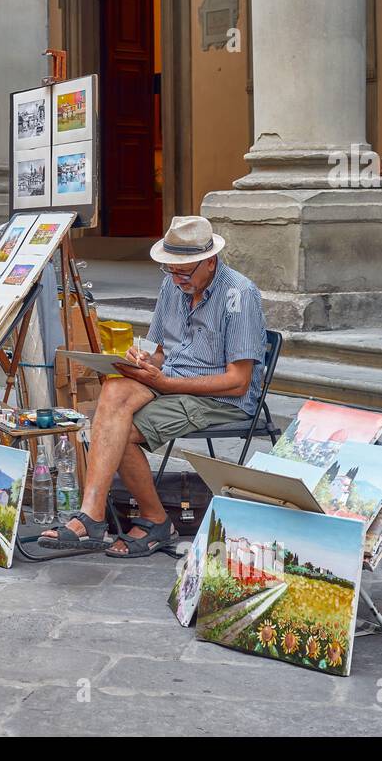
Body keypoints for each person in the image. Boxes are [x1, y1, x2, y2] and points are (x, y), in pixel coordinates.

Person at [39, 215, 268, 558]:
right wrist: (144, 361)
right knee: (114, 389)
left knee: (120, 430)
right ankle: (92, 513)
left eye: (184, 272)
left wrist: (166, 381)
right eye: (170, 270)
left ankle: (154, 519)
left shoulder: (240, 294)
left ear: (210, 261)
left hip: (219, 398)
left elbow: (238, 383)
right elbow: (161, 352)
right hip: (172, 379)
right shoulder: (171, 286)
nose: (176, 279)